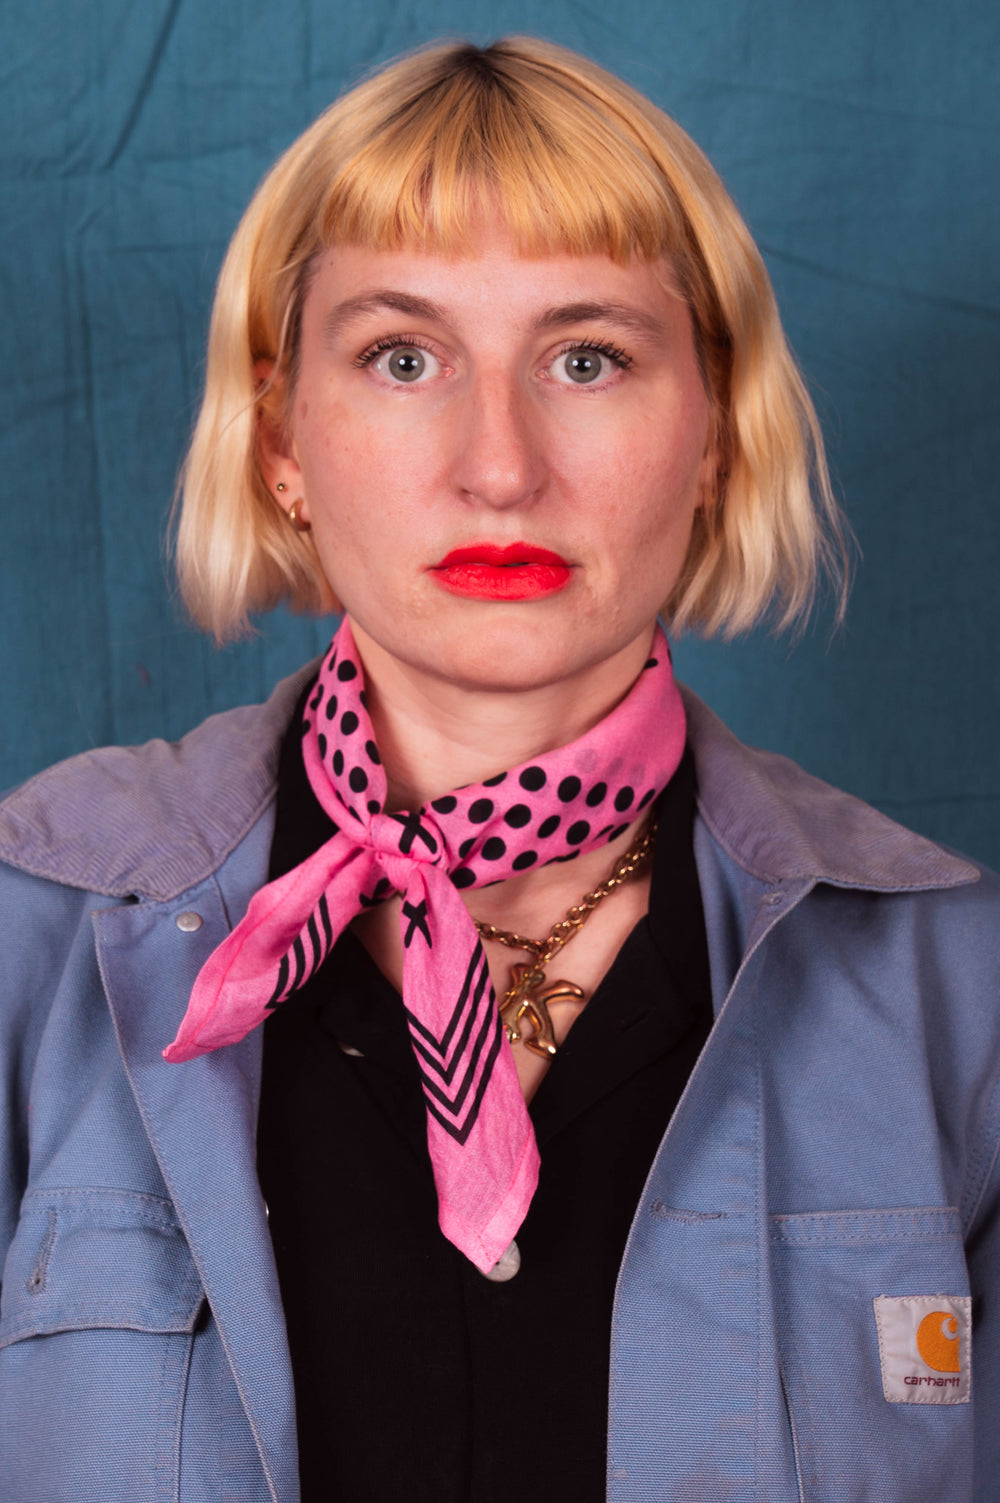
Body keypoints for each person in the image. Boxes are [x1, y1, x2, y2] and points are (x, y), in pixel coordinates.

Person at [0, 35, 996, 1503]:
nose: (501, 466)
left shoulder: (958, 991)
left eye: (587, 359)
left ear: (714, 434)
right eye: (403, 358)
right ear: (281, 442)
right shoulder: (33, 931)